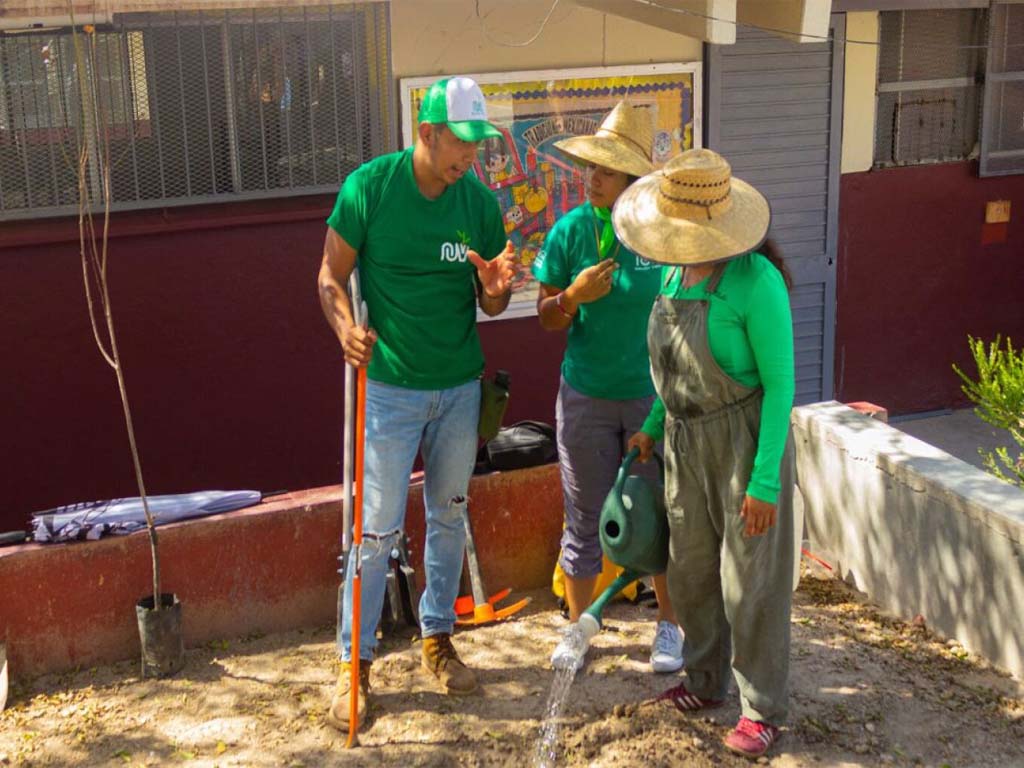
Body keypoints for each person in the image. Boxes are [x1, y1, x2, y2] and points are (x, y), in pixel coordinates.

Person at [317, 76, 518, 733]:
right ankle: (356, 662)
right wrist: (346, 327)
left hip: (460, 387)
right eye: (461, 142)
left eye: (478, 145)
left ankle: (438, 638)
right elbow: (329, 277)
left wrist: (494, 289)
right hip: (390, 392)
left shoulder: (480, 207)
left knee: (450, 516)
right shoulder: (370, 190)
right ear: (426, 133)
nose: (471, 157)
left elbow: (492, 303)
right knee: (375, 531)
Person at [614, 148, 796, 760]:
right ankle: (702, 680)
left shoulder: (756, 284)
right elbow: (676, 369)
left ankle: (762, 709)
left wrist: (765, 481)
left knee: (749, 582)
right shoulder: (671, 274)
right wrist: (651, 424)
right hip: (683, 445)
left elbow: (781, 387)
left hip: (744, 446)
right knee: (690, 570)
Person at [532, 101, 684, 674]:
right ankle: (578, 631)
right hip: (585, 396)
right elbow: (545, 317)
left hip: (652, 402)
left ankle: (670, 628)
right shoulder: (570, 230)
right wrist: (571, 298)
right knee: (584, 515)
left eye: (606, 172)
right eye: (591, 169)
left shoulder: (658, 238)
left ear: (633, 182)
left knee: (660, 514)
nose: (592, 179)